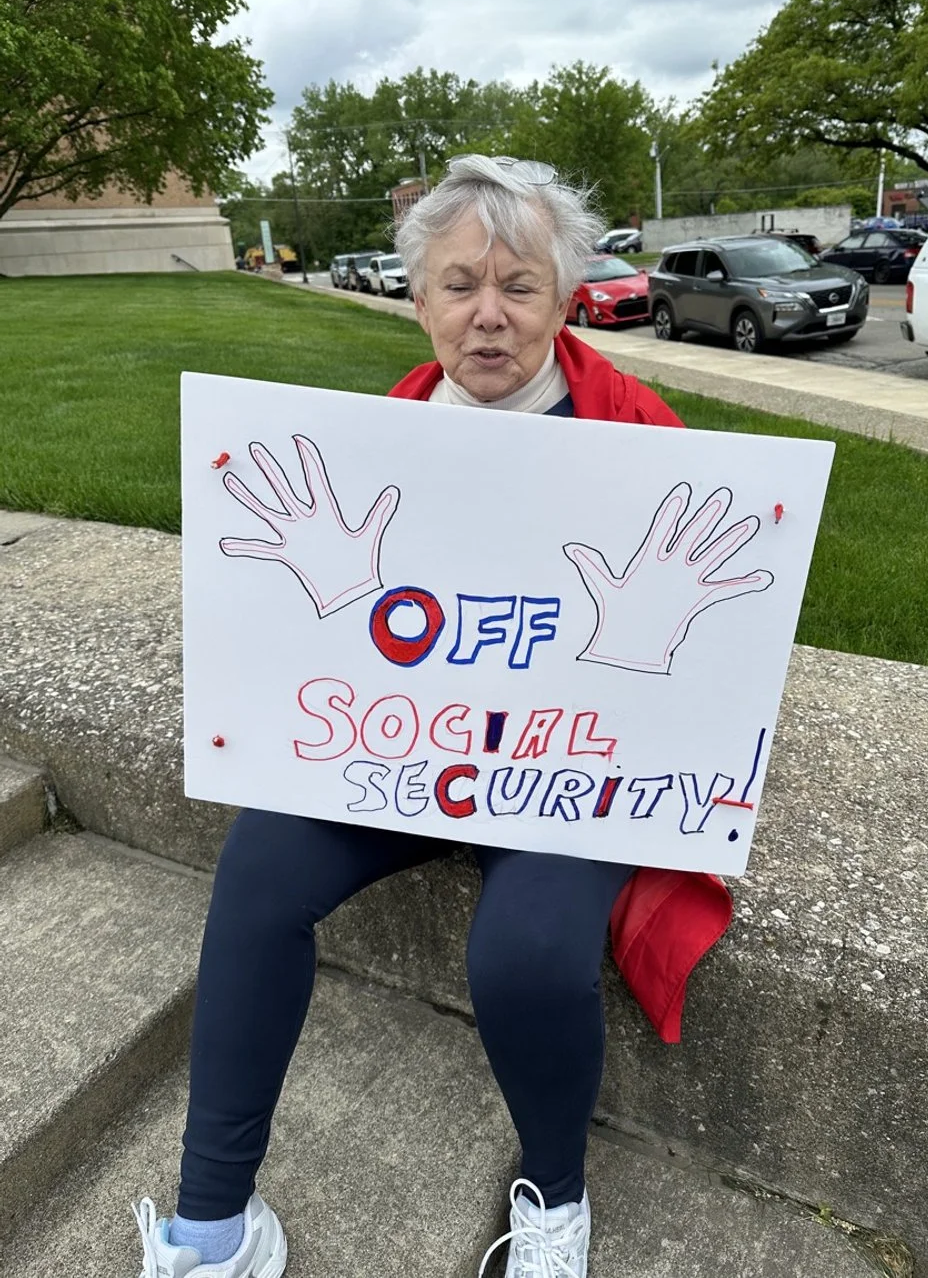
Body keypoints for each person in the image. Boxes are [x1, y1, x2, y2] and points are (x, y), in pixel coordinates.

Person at [133, 155, 732, 1278]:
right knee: (258, 870)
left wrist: (649, 654)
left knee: (524, 950)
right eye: (460, 285)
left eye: (520, 285)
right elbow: (321, 653)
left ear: (565, 299)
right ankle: (211, 1226)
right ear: (417, 302)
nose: (490, 315)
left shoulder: (649, 442)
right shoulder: (379, 440)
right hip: (408, 756)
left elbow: (708, 681)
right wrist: (321, 609)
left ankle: (554, 1199)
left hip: (569, 764)